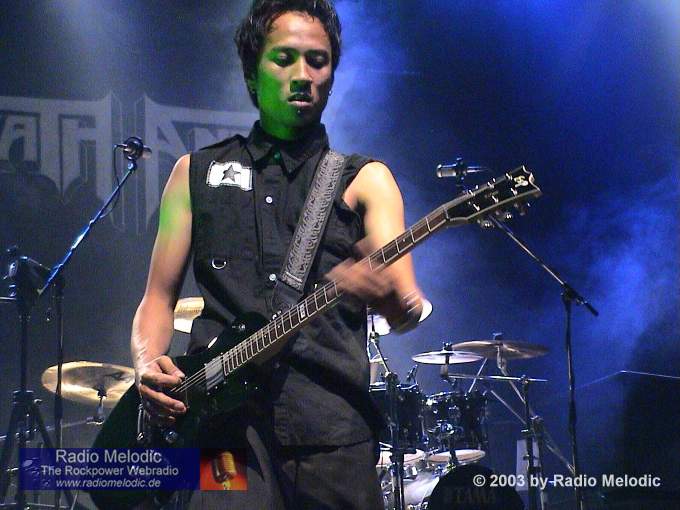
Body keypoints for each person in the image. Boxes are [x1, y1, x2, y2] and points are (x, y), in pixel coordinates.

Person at [132, 1, 423, 508]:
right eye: (284, 58)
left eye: (318, 60)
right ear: (251, 72)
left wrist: (388, 298)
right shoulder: (193, 174)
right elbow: (158, 297)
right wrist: (145, 367)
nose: (303, 75)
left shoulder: (365, 180)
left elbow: (408, 307)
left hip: (334, 434)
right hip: (223, 435)